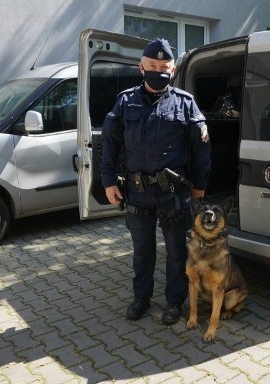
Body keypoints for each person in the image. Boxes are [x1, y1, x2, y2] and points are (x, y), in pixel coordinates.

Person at [100, 38, 211, 325]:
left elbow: (201, 150)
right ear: (141, 67)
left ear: (173, 69)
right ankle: (141, 298)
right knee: (142, 250)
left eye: (164, 67)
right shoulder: (125, 101)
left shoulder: (185, 103)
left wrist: (199, 185)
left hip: (172, 192)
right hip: (136, 191)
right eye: (152, 66)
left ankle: (175, 302)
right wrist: (108, 181)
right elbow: (109, 145)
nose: (158, 71)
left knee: (176, 251)